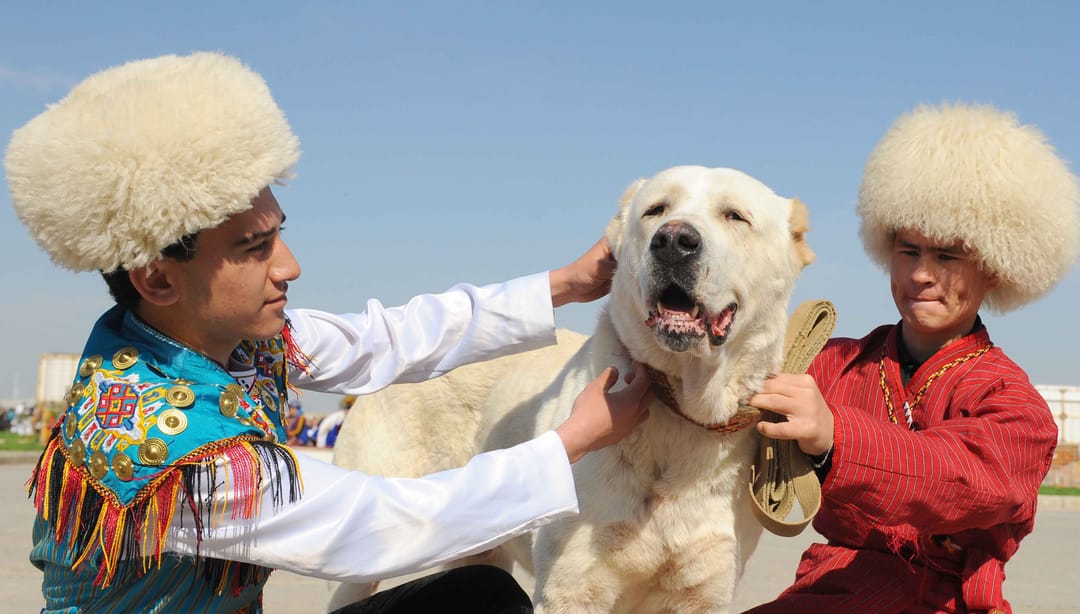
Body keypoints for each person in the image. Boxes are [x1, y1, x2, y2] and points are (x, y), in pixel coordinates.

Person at [5, 52, 653, 613]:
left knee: (479, 596)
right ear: (157, 279)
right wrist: (575, 438)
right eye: (254, 248)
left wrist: (565, 283)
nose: (289, 267)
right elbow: (379, 527)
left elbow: (386, 339)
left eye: (280, 232)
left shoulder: (206, 338)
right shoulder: (178, 452)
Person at [746, 103, 1079, 613]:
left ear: (993, 268)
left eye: (947, 255)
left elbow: (959, 476)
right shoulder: (827, 363)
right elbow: (724, 389)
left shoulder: (1016, 407)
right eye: (908, 251)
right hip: (824, 593)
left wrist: (835, 435)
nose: (922, 274)